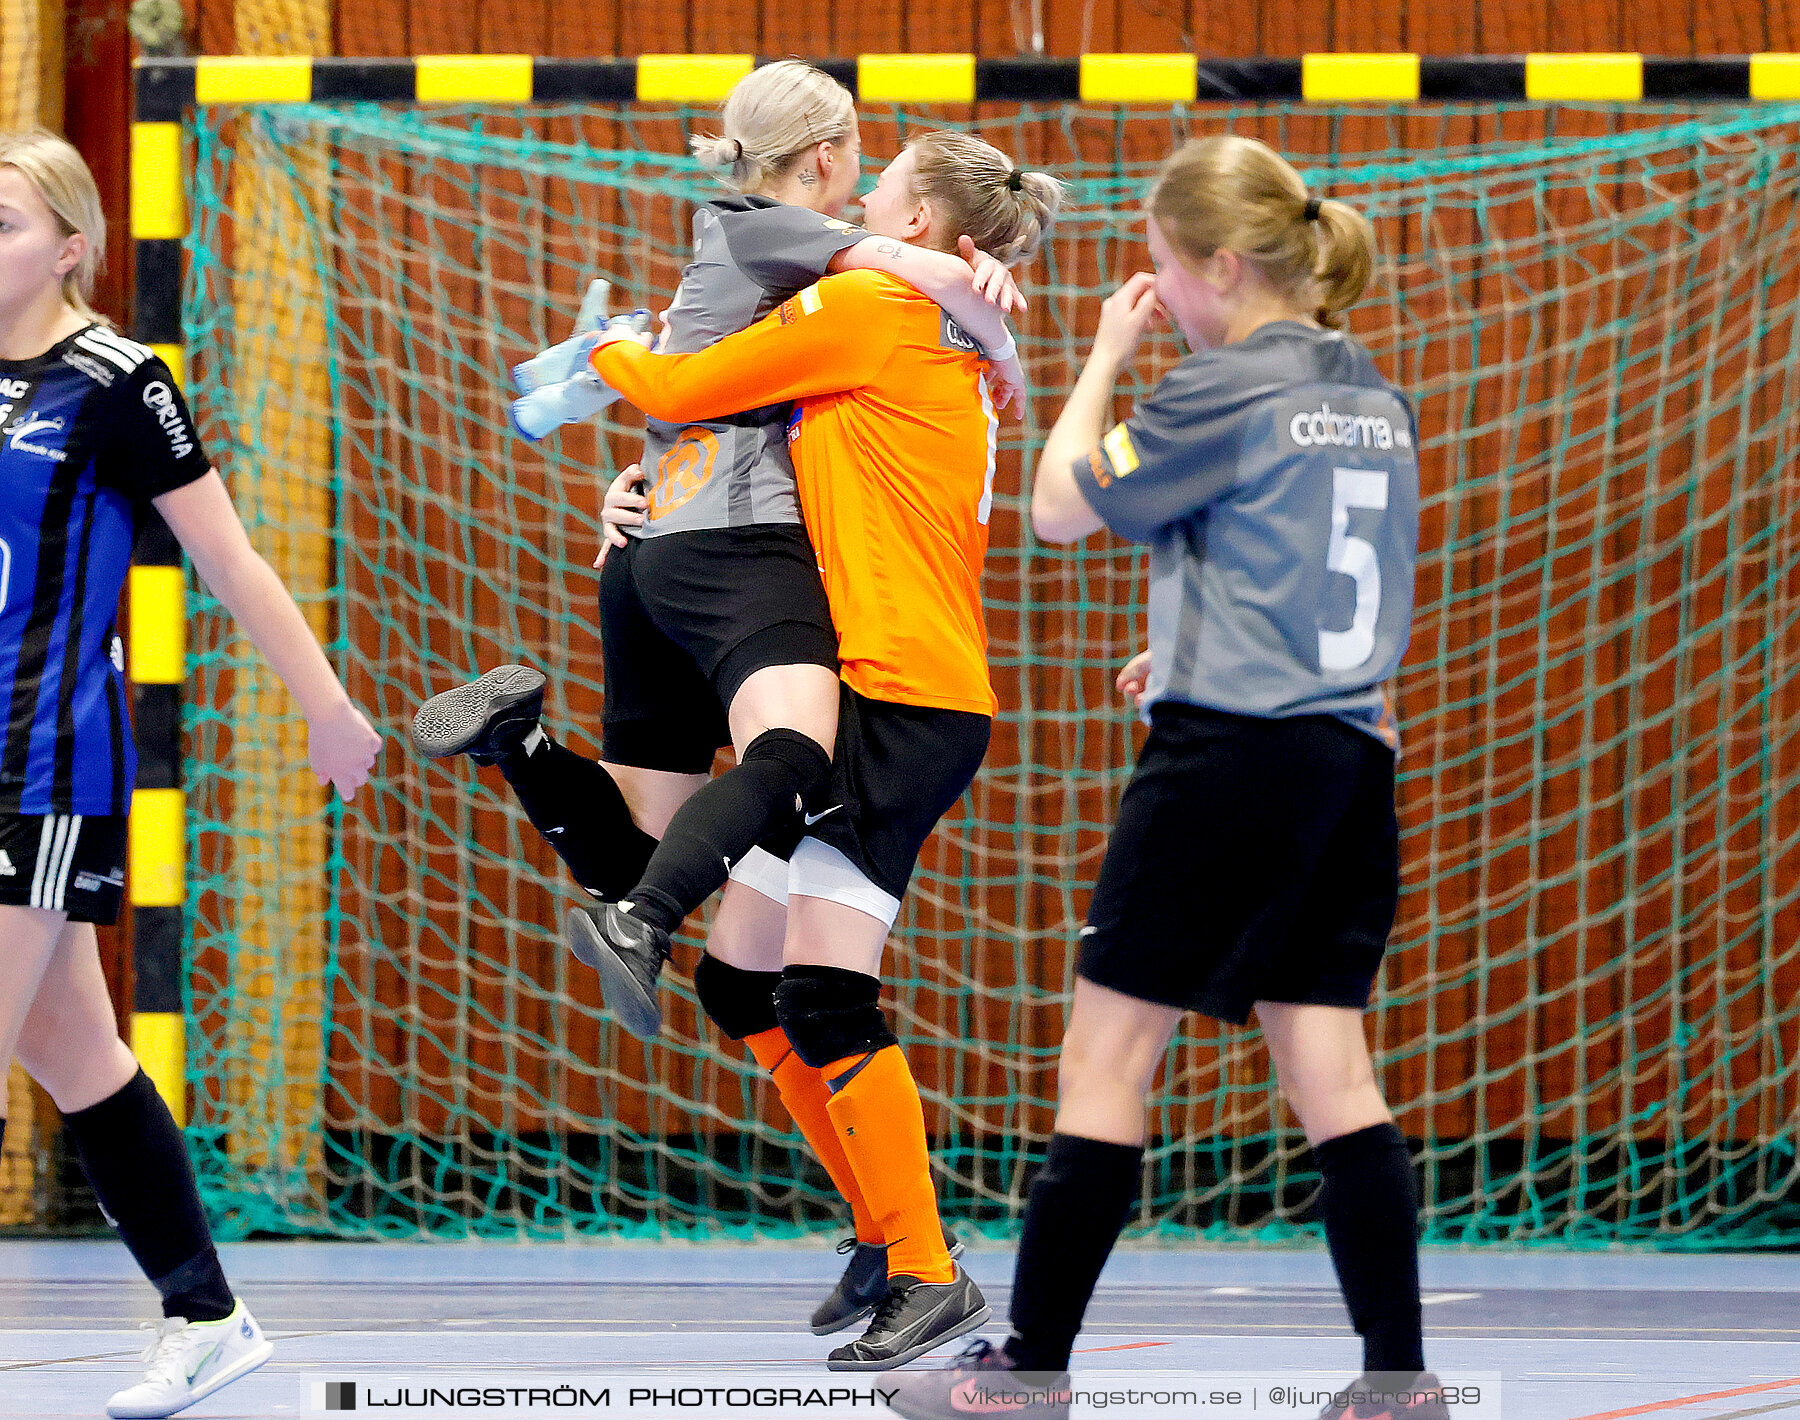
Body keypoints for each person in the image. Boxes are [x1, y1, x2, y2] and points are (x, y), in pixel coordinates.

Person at [886, 134, 1446, 1420]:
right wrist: (1190, 639)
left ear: (1222, 266)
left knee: (1105, 1057)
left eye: (1158, 270)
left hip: (1227, 761)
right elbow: (1307, 561)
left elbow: (1060, 506)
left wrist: (1101, 358)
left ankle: (1026, 1373)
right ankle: (1397, 1380)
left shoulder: (1223, 386)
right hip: (1346, 755)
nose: (1155, 293)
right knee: (1329, 1063)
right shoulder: (1370, 393)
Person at [411, 63, 1026, 1038]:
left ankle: (520, 743)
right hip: (735, 546)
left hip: (651, 548)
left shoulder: (748, 245)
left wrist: (987, 327)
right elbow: (913, 270)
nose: (864, 184)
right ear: (823, 157)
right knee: (792, 749)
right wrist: (989, 320)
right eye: (859, 160)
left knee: (634, 843)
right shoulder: (805, 248)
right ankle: (641, 926)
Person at [580, 129, 1061, 1372]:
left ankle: (927, 1267)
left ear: (922, 229)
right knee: (746, 984)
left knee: (823, 995)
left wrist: (599, 347)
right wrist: (642, 497)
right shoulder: (935, 327)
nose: (853, 198)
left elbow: (680, 388)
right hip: (901, 687)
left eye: (878, 185)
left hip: (905, 699)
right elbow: (734, 440)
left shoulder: (870, 304)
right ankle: (886, 1235)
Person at [0, 131, 381, 1418]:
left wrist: (326, 709)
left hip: (37, 762)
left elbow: (230, 559)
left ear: (71, 245)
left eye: (3, 222)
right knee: (75, 1051)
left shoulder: (115, 381)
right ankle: (208, 1315)